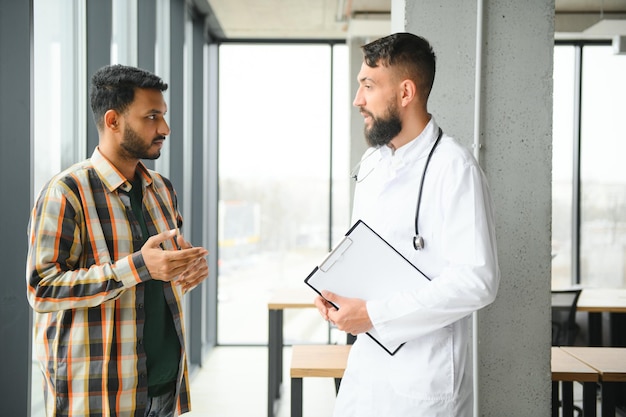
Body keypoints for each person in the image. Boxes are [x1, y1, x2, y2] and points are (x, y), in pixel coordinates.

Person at [314, 33, 500, 416]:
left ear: (405, 92)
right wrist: (337, 289)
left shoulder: (455, 168)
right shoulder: (372, 164)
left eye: (368, 86)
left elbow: (478, 281)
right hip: (366, 371)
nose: (357, 100)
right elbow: (368, 252)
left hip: (424, 381)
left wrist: (375, 314)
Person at [26, 64, 209, 417]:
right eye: (152, 117)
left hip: (162, 388)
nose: (164, 129)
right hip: (98, 396)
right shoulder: (66, 192)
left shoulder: (162, 190)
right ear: (113, 121)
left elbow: (157, 281)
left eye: (163, 116)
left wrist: (186, 270)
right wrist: (136, 268)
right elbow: (41, 289)